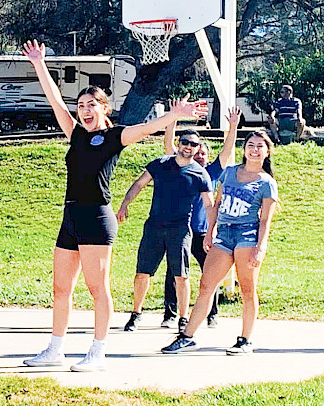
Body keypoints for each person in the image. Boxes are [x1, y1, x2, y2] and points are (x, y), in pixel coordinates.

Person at [19, 40, 205, 372]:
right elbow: (54, 100)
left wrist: (174, 116)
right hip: (71, 215)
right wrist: (39, 64)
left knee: (97, 288)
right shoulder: (76, 133)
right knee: (61, 287)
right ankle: (55, 349)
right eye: (81, 105)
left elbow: (146, 128)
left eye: (92, 104)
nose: (85, 110)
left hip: (97, 217)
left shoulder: (114, 136)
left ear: (104, 108)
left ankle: (97, 352)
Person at [161, 130, 279, 355]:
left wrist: (260, 247)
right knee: (206, 285)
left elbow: (265, 220)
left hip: (247, 236)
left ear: (267, 152)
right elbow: (216, 204)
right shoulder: (230, 172)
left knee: (247, 289)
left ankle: (245, 340)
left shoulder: (267, 183)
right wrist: (209, 232)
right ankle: (187, 337)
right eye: (251, 145)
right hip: (223, 234)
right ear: (244, 149)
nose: (254, 150)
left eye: (259, 146)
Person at [116, 128, 216, 336]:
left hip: (180, 229)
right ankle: (136, 313)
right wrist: (125, 204)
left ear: (197, 148)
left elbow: (209, 205)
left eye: (194, 144)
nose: (189, 147)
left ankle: (183, 318)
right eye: (185, 142)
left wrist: (211, 231)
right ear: (178, 143)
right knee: (142, 272)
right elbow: (139, 184)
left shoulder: (200, 174)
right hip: (154, 226)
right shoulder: (160, 164)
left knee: (181, 275)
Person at [172, 107, 242, 329]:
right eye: (197, 152)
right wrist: (173, 119)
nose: (199, 155)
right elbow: (169, 147)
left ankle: (213, 314)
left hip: (203, 232)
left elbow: (227, 151)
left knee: (210, 275)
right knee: (175, 273)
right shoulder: (182, 169)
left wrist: (233, 127)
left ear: (208, 157)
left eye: (203, 153)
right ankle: (170, 313)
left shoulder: (211, 172)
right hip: (181, 229)